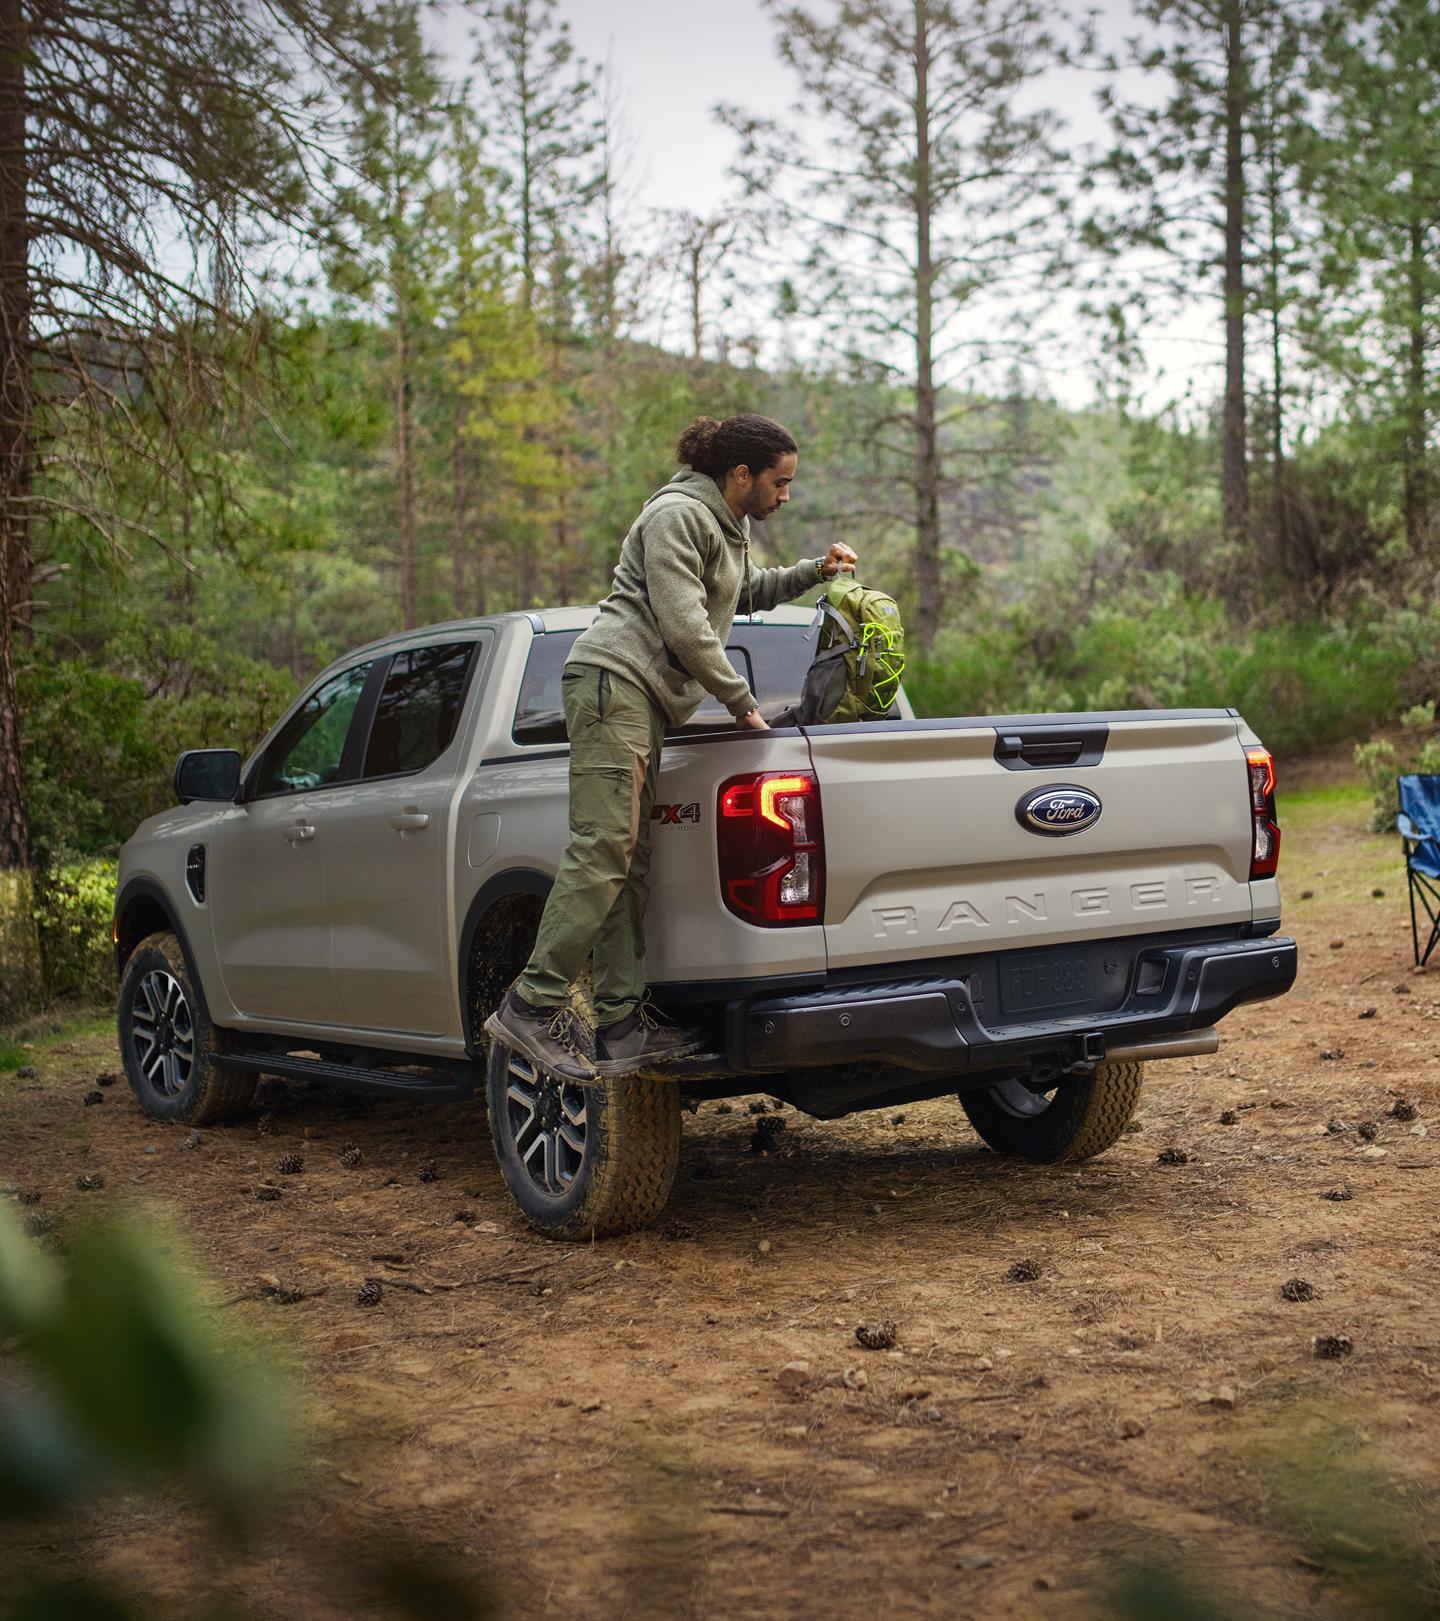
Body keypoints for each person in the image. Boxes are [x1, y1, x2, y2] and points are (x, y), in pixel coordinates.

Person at [485, 412, 857, 1081]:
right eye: (780, 482)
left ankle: (621, 1026)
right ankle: (532, 1006)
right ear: (741, 474)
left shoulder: (726, 525)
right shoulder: (677, 517)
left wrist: (813, 571)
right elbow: (687, 625)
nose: (786, 495)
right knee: (602, 848)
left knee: (629, 861)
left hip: (644, 700)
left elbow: (743, 593)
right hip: (613, 684)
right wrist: (743, 702)